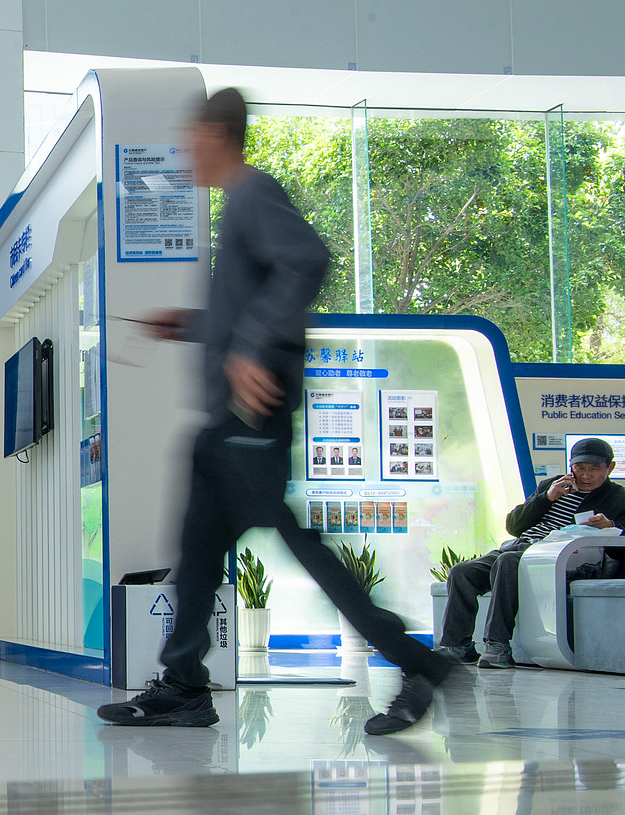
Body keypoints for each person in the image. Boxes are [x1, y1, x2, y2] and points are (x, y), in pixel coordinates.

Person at [101, 87, 458, 736]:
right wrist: (192, 325)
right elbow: (250, 304)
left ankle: (415, 662)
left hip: (249, 418)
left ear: (215, 135)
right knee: (196, 551)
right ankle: (183, 684)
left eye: (190, 139)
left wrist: (246, 351)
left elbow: (307, 259)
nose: (185, 153)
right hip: (223, 424)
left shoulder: (251, 193)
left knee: (294, 543)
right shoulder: (235, 207)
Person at [437, 437, 625, 669]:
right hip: (522, 547)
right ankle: (458, 646)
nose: (585, 475)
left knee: (507, 561)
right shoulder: (552, 485)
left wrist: (612, 526)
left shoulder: (618, 497)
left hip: (561, 559)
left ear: (610, 468)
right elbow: (514, 526)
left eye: (594, 469)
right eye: (580, 468)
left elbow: (621, 541)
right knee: (462, 572)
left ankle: (498, 645)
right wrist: (546, 498)